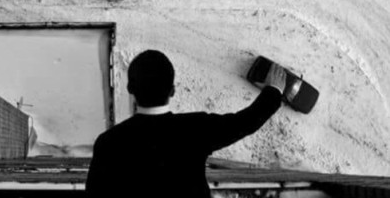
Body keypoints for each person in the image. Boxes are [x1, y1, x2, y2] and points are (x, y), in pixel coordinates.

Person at [85, 50, 286, 197]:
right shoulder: (195, 128)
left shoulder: (108, 143)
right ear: (173, 91)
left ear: (130, 88)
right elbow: (245, 122)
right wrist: (274, 89)